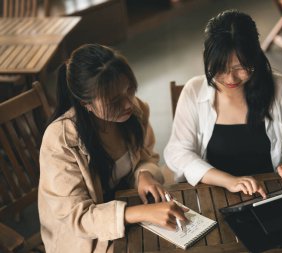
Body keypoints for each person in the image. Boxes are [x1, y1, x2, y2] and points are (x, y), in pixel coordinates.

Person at [38, 44, 187, 253]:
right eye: (115, 100)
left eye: (129, 90)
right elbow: (77, 218)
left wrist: (143, 173)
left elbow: (147, 156)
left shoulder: (135, 111)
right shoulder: (60, 141)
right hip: (84, 238)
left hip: (129, 211)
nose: (128, 104)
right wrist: (141, 213)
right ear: (85, 103)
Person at [164, 10, 282, 198]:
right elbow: (178, 153)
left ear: (255, 58)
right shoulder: (193, 91)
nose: (230, 78)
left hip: (270, 193)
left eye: (241, 67)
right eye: (220, 68)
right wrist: (229, 181)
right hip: (213, 193)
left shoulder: (281, 89)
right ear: (206, 59)